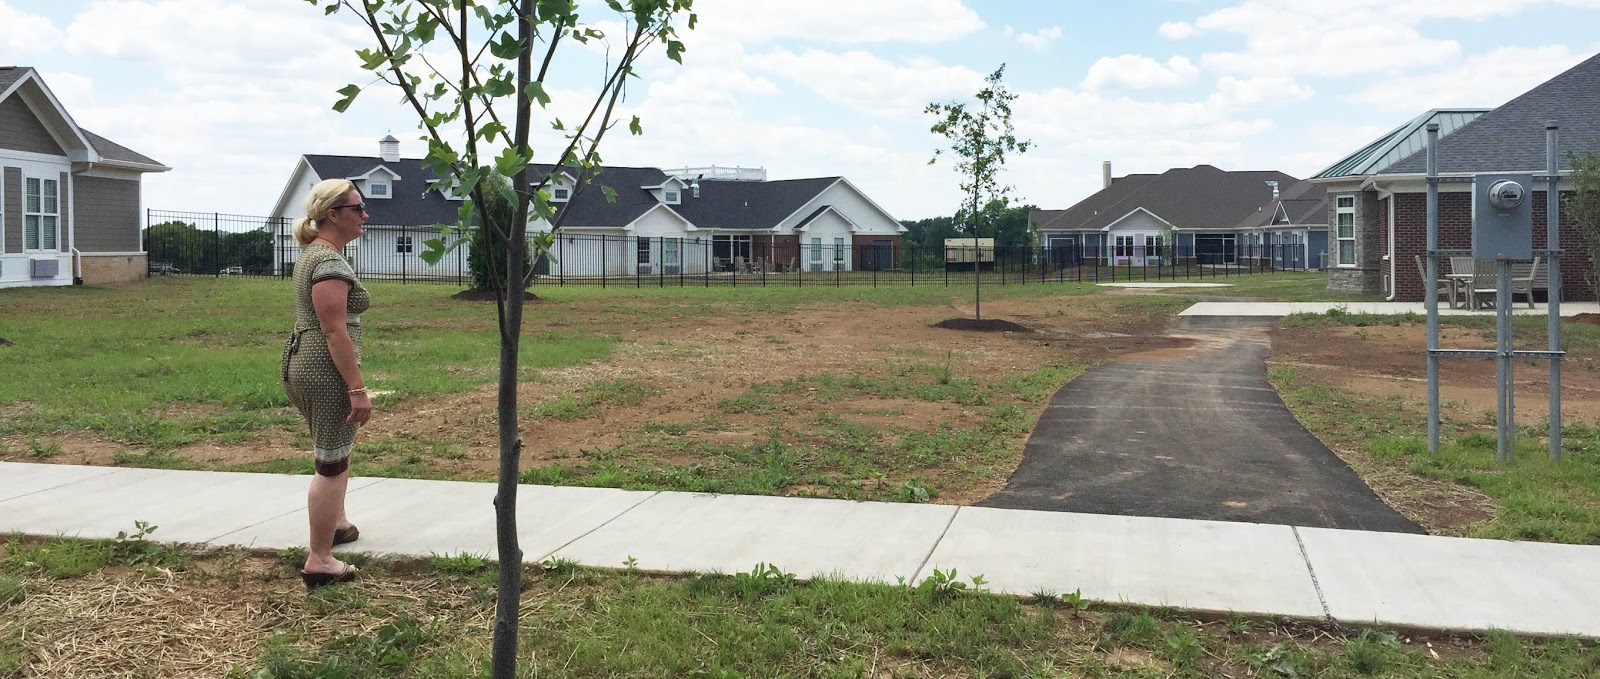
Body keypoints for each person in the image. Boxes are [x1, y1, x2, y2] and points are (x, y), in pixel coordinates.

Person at [282, 178, 372, 589]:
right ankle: (320, 559)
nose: (365, 215)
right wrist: (356, 388)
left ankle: (336, 525)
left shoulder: (313, 254)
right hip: (325, 371)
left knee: (334, 451)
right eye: (357, 208)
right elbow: (334, 330)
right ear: (333, 214)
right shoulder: (329, 263)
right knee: (331, 463)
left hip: (305, 363)